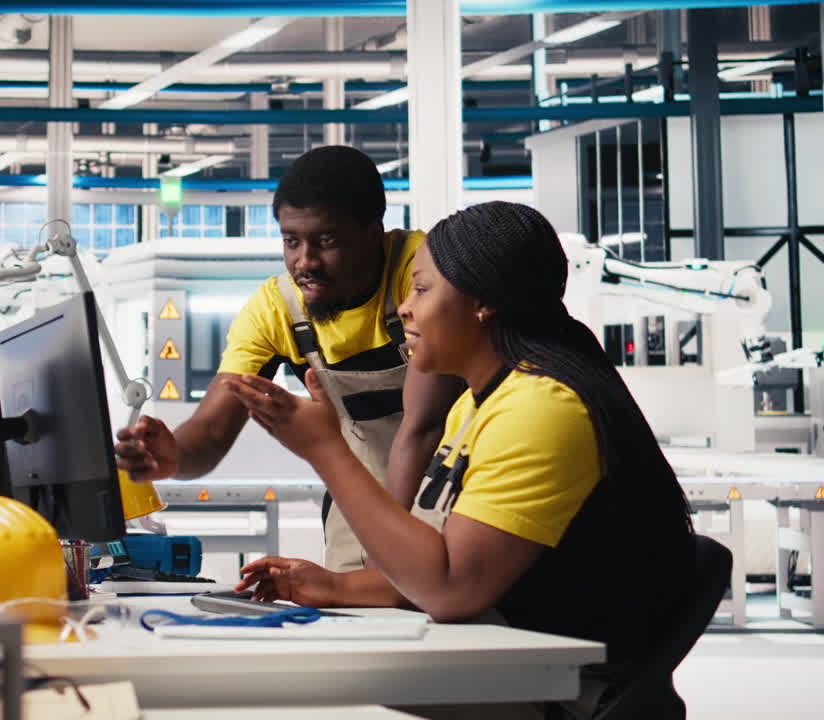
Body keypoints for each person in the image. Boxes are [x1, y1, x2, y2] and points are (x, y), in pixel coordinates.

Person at [226, 202, 695, 718]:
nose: (405, 308)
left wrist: (325, 449)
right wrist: (331, 586)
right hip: (509, 661)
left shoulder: (542, 408)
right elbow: (432, 562)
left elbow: (449, 588)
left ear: (482, 302)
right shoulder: (477, 403)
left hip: (567, 692)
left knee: (313, 687)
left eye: (422, 290)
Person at [114, 146, 464, 572]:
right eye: (291, 241)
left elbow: (422, 428)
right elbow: (210, 431)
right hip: (359, 514)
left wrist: (390, 557)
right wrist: (174, 456)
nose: (305, 262)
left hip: (455, 502)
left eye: (326, 241)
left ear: (374, 231)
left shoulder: (422, 271)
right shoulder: (277, 308)